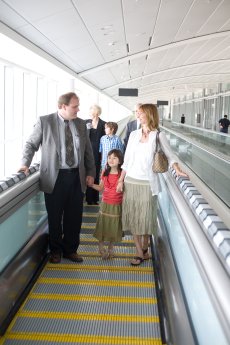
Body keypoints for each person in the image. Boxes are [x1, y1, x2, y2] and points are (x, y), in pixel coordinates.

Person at [19, 92, 95, 264]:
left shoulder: (81, 124)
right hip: (55, 177)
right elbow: (31, 144)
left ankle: (70, 250)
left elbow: (88, 152)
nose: (78, 109)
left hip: (77, 177)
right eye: (75, 106)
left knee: (74, 216)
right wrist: (25, 163)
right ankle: (55, 251)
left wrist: (90, 173)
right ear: (63, 106)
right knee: (55, 217)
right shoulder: (45, 122)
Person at [117, 103, 188, 266]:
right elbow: (126, 161)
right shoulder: (134, 135)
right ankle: (139, 252)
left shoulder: (158, 136)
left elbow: (170, 156)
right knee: (134, 218)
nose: (138, 116)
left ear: (149, 115)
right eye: (137, 113)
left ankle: (145, 248)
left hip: (148, 183)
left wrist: (177, 169)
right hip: (131, 181)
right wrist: (121, 180)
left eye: (141, 113)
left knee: (146, 218)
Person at [90, 149, 123, 259]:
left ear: (120, 161)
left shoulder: (122, 174)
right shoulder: (105, 172)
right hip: (105, 203)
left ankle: (110, 248)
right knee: (103, 225)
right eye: (109, 158)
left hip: (117, 204)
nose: (111, 160)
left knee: (114, 226)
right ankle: (101, 246)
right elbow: (100, 188)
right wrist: (91, 185)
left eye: (114, 158)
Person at [85, 104, 106, 205]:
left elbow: (104, 140)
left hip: (97, 152)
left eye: (91, 112)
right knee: (87, 173)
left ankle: (94, 198)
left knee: (96, 173)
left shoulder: (103, 124)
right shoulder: (86, 122)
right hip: (87, 151)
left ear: (96, 113)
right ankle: (88, 198)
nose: (90, 114)